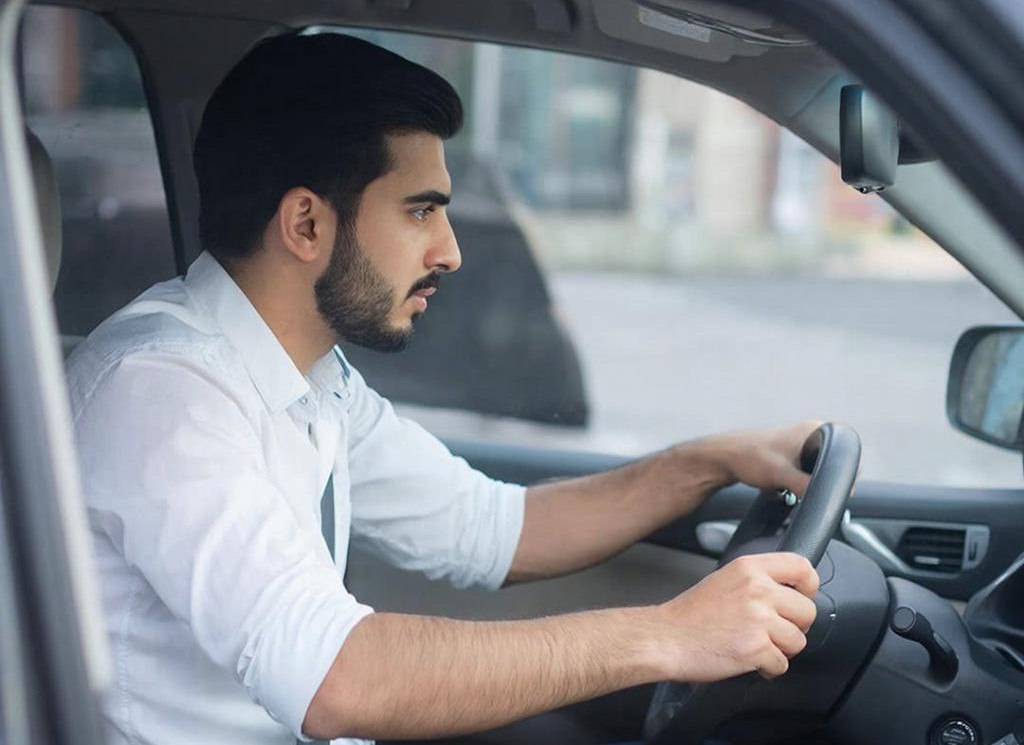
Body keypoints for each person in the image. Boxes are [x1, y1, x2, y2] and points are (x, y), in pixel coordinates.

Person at [67, 32, 821, 745]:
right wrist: (668, 635)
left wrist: (712, 460)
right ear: (305, 224)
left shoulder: (312, 377)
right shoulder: (161, 393)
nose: (450, 251)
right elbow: (336, 678)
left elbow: (492, 528)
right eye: (420, 210)